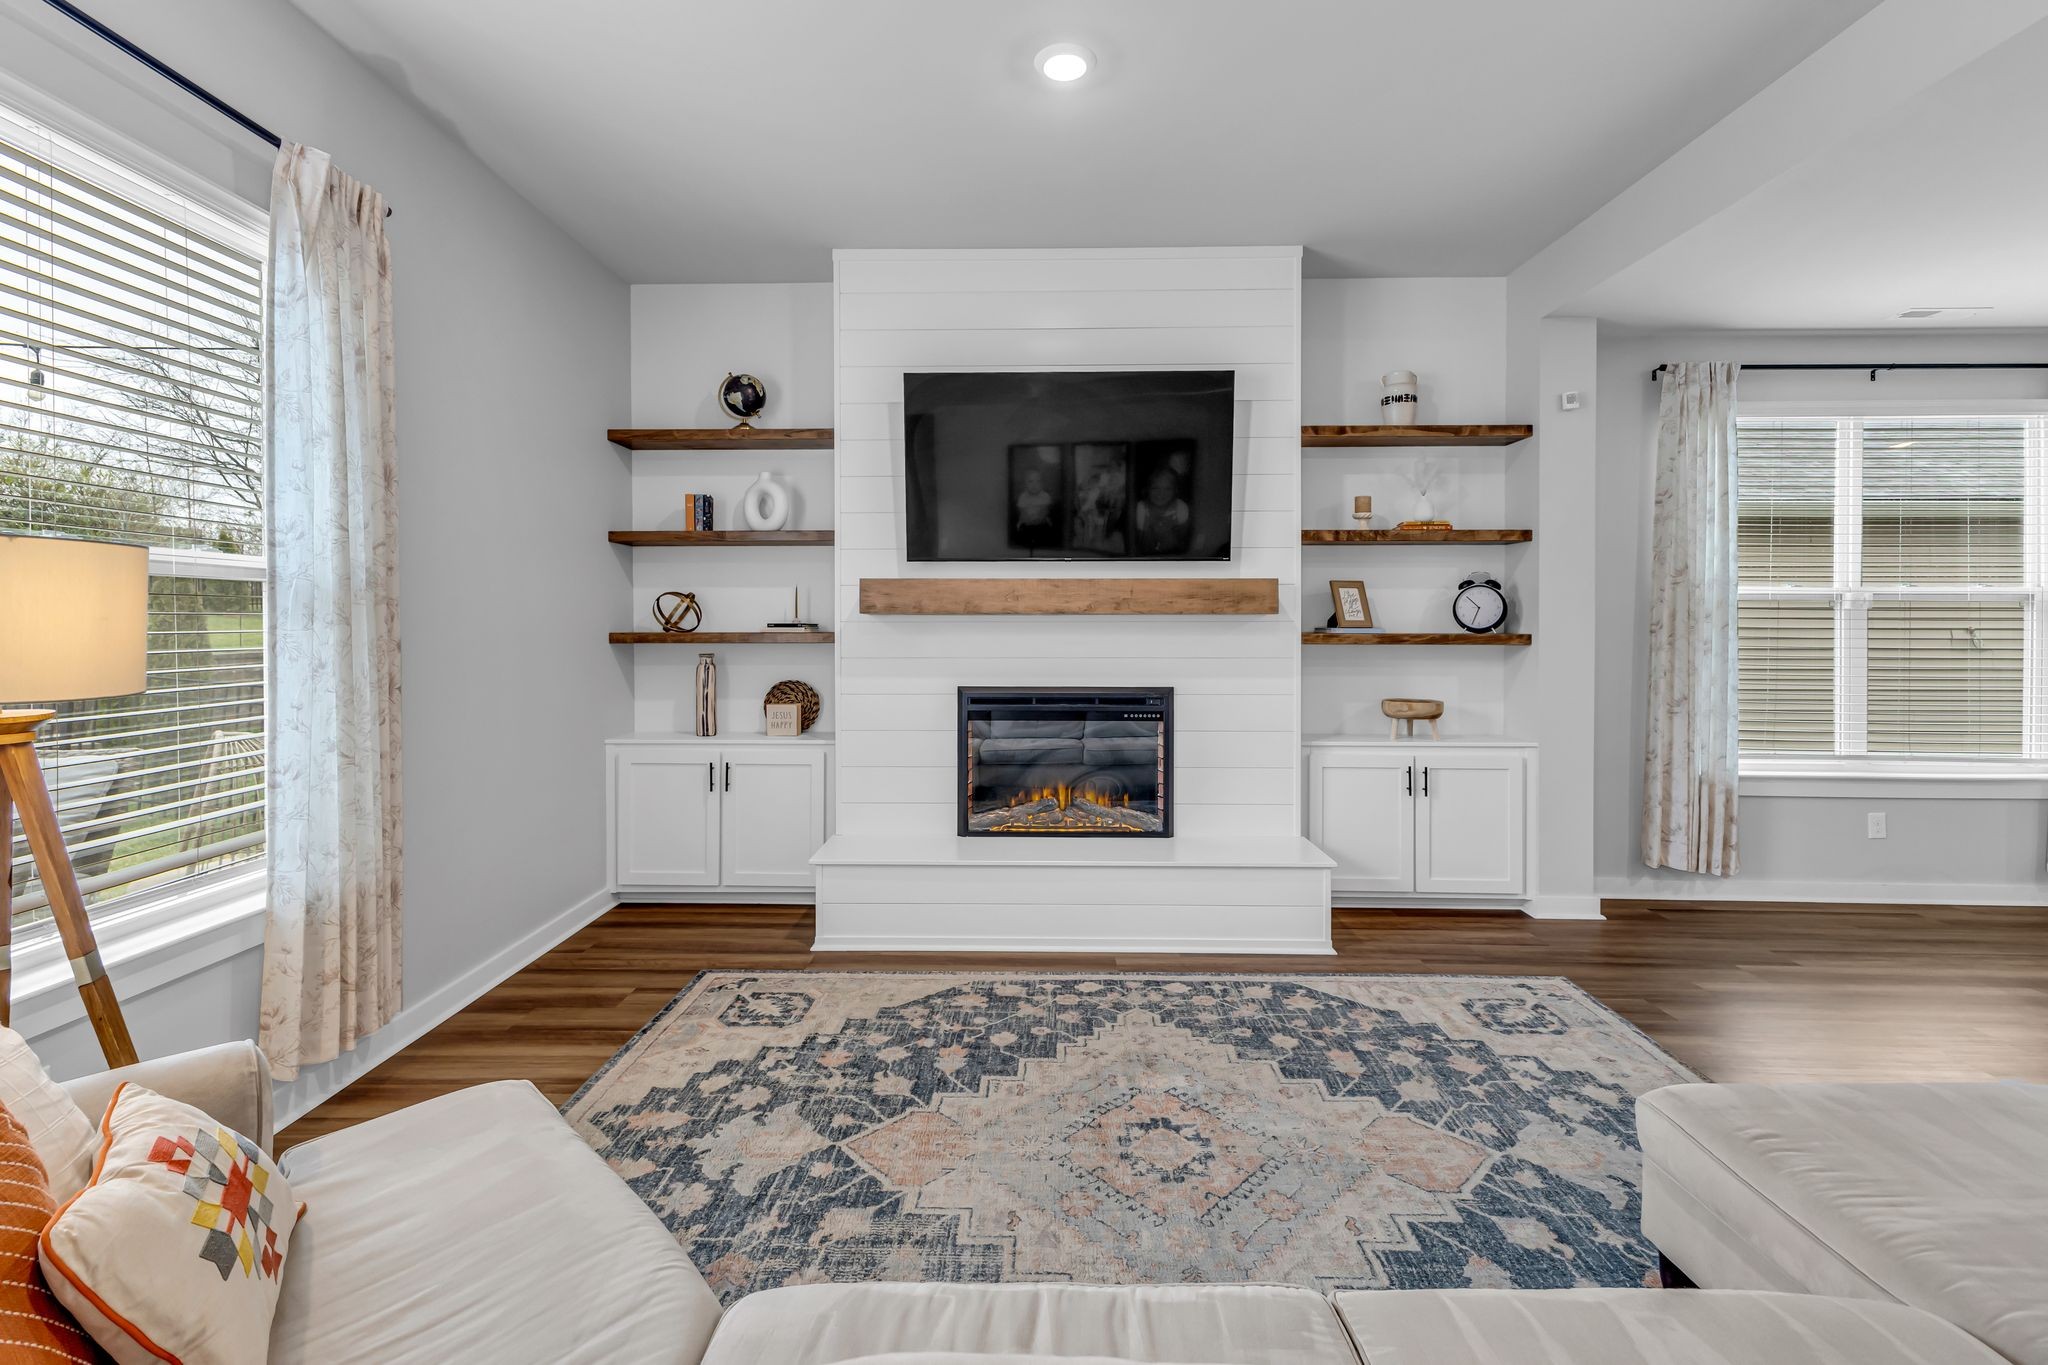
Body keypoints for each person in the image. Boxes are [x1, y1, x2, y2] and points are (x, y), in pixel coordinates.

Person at [1132, 467, 1190, 554]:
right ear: (1147, 489)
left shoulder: (1181, 508)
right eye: (1155, 488)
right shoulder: (1140, 508)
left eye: (1168, 489)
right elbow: (1138, 543)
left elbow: (1184, 541)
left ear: (1176, 491)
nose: (1160, 493)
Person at [1012, 466, 1056, 548]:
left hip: (1041, 521)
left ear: (1043, 484)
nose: (1034, 485)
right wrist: (1028, 520)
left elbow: (1044, 511)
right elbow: (1022, 512)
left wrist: (1037, 520)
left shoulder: (1045, 496)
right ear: (1025, 484)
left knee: (1046, 529)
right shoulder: (1023, 496)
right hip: (1026, 522)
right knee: (1022, 529)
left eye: (1038, 481)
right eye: (1030, 481)